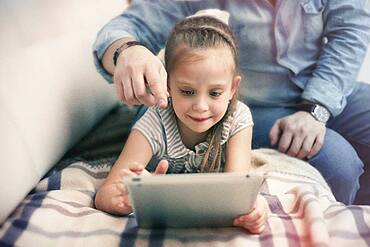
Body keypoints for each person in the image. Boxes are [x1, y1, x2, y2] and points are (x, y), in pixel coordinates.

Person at [93, 1, 370, 205]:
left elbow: (350, 35)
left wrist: (317, 108)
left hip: (325, 85)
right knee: (339, 162)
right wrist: (127, 51)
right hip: (253, 105)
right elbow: (126, 28)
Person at [94, 13, 269, 234]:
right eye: (187, 91)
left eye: (215, 93)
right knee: (147, 108)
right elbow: (105, 194)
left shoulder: (238, 117)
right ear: (166, 83)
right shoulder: (154, 123)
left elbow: (238, 187)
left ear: (233, 88)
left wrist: (253, 208)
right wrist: (129, 198)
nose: (201, 106)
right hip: (160, 107)